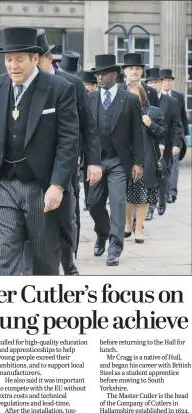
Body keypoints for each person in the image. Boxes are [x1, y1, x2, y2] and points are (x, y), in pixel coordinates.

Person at [0, 27, 79, 275]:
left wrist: (58, 185)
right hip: (3, 186)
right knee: (4, 254)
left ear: (35, 59)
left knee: (43, 261)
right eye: (8, 59)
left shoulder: (59, 88)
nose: (13, 65)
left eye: (19, 59)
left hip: (42, 188)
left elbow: (68, 141)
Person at [36, 31, 102, 275]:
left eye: (37, 59)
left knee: (66, 217)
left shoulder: (71, 84)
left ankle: (68, 262)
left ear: (49, 58)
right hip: (32, 165)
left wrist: (93, 162)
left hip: (65, 162)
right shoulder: (22, 84)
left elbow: (89, 126)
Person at [87, 54, 145, 267]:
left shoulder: (129, 99)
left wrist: (139, 162)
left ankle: (114, 248)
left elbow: (137, 133)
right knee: (93, 204)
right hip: (96, 162)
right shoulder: (90, 98)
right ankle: (102, 233)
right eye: (97, 73)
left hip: (120, 162)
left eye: (103, 73)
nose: (99, 77)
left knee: (119, 204)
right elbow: (84, 132)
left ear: (114, 74)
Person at [125, 83, 166, 243]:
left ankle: (139, 228)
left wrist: (150, 124)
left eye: (137, 95)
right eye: (131, 95)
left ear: (142, 96)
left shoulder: (153, 112)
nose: (134, 99)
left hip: (146, 159)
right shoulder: (124, 112)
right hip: (128, 158)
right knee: (127, 195)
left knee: (143, 197)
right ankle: (128, 224)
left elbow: (163, 132)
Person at [144, 68, 184, 218]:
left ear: (161, 83)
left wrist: (176, 144)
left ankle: (161, 201)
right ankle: (150, 207)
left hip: (166, 144)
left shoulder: (171, 101)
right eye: (150, 82)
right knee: (149, 175)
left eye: (156, 82)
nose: (153, 85)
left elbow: (177, 125)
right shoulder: (144, 99)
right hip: (148, 144)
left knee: (163, 175)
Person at [160, 69, 189, 204]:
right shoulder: (156, 97)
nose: (167, 83)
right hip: (161, 137)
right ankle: (164, 192)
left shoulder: (178, 96)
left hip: (176, 136)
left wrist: (186, 134)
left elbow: (182, 116)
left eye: (169, 80)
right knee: (164, 166)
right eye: (165, 80)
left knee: (174, 164)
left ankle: (172, 192)